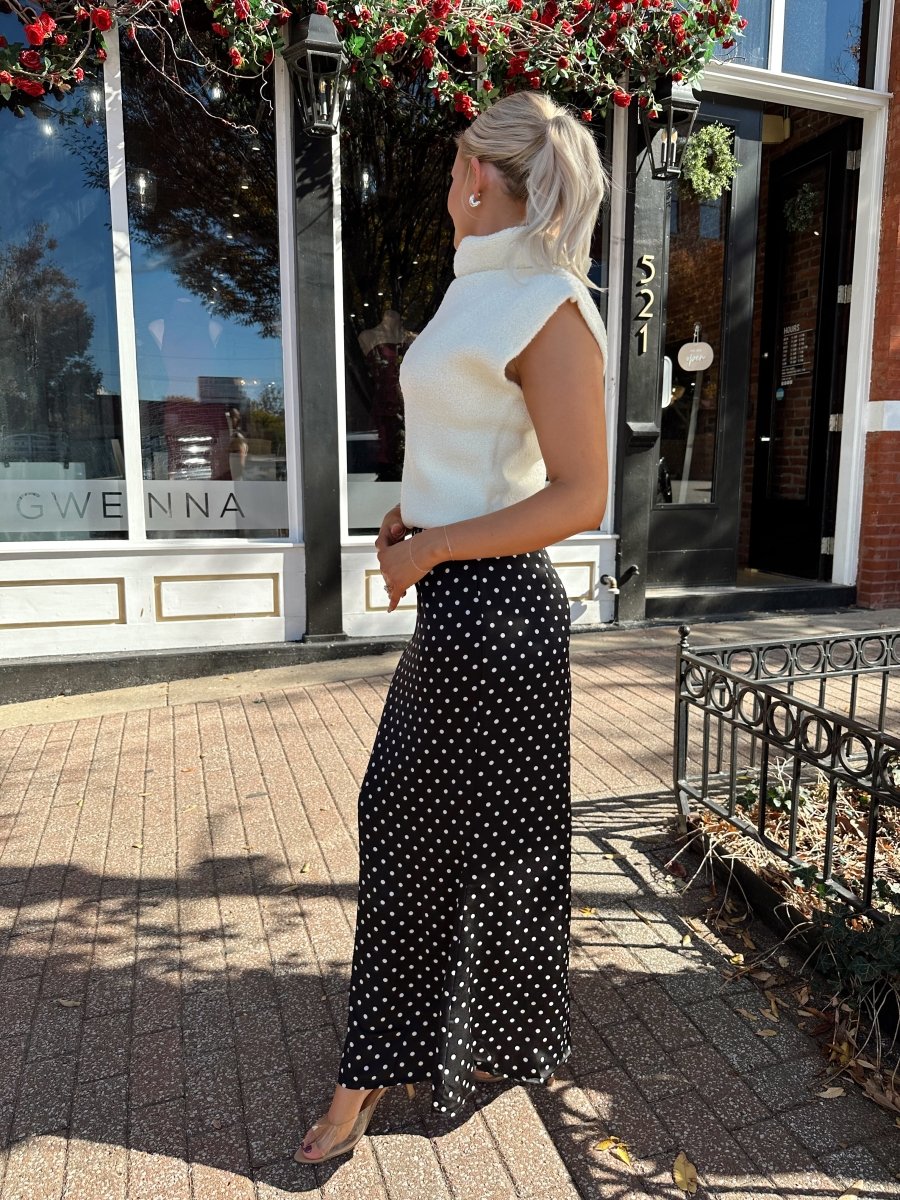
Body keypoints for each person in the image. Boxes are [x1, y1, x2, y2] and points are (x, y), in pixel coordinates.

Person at [294, 90, 608, 1165]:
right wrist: (412, 515)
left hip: (500, 615)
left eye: (455, 164)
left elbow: (581, 495)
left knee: (440, 837)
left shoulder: (549, 304)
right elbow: (480, 450)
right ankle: (479, 1041)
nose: (447, 182)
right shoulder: (478, 291)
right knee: (445, 834)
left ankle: (373, 1072)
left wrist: (431, 549)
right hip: (464, 605)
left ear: (477, 174)